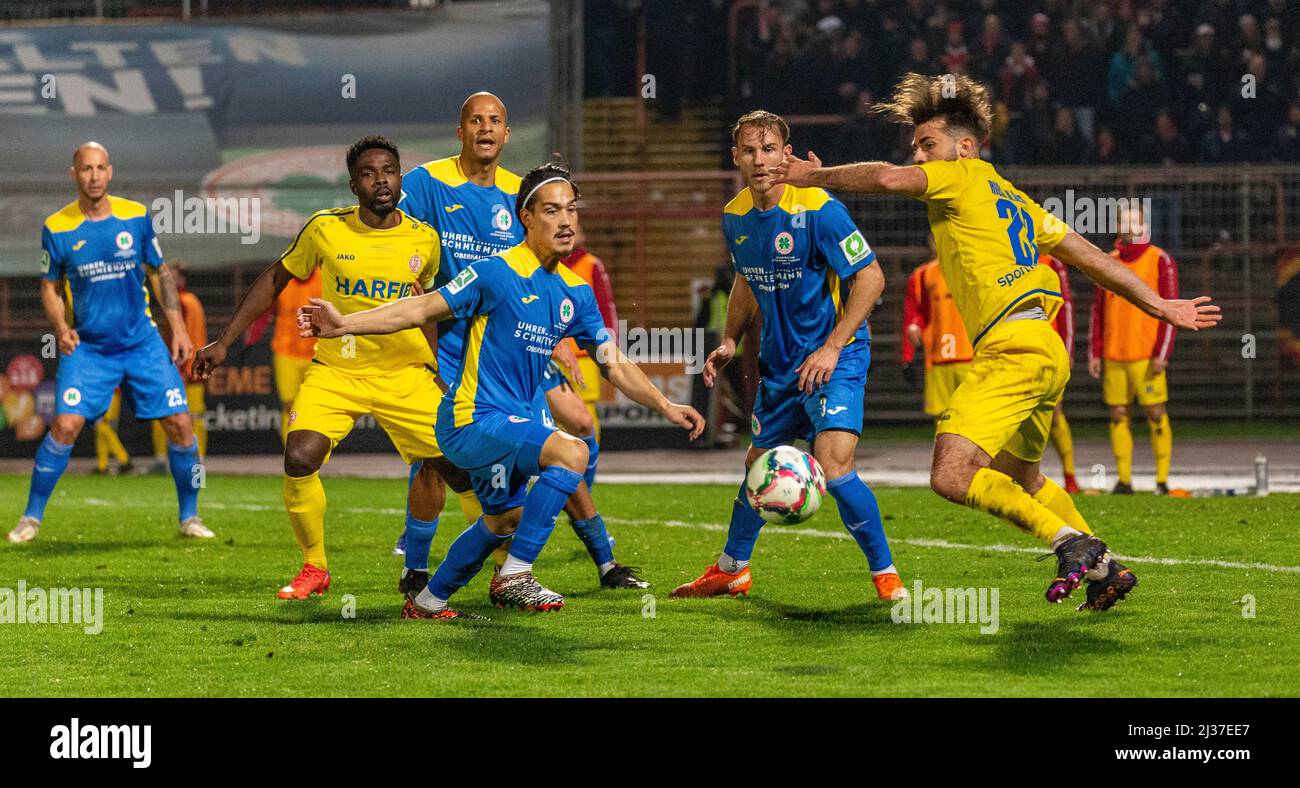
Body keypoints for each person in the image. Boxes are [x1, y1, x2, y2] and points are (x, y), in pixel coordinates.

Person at [770, 73, 1220, 611]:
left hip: (1011, 347)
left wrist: (812, 174)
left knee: (952, 473)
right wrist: (1162, 305)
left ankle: (1071, 544)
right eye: (915, 148)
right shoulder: (1016, 200)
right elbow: (1095, 259)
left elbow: (888, 181)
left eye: (926, 145)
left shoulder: (959, 175)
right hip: (1045, 348)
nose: (918, 157)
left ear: (963, 147)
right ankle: (1105, 570)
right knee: (1023, 476)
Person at [300, 164, 704, 620]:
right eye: (552, 211)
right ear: (525, 217)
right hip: (470, 419)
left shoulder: (576, 291)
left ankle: (429, 601)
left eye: (571, 209)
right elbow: (420, 308)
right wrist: (343, 324)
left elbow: (613, 363)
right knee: (571, 452)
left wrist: (666, 405)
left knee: (502, 521)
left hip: (510, 424)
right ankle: (515, 575)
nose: (566, 220)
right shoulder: (494, 272)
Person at [396, 92, 646, 592]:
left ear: (507, 134)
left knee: (570, 435)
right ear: (460, 130)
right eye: (475, 120)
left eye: (495, 121)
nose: (486, 129)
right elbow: (397, 238)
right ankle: (418, 569)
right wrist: (406, 280)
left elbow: (536, 276)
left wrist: (556, 338)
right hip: (450, 344)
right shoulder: (426, 182)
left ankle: (601, 563)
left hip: (514, 344)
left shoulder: (524, 195)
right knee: (435, 458)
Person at [192, 135, 450, 604]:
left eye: (389, 171)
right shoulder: (325, 229)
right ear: (354, 184)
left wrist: (436, 368)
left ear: (399, 178)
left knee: (457, 468)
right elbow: (275, 277)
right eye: (369, 174)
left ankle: (467, 570)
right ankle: (315, 566)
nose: (381, 181)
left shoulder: (423, 238)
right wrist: (225, 341)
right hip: (338, 371)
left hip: (406, 374)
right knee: (298, 457)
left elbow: (428, 307)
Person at [671, 110, 907, 603]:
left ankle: (886, 577)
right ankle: (731, 569)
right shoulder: (734, 215)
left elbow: (872, 278)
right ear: (736, 157)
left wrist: (832, 345)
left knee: (833, 466)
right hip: (781, 367)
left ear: (787, 153)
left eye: (770, 149)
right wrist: (732, 338)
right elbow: (745, 279)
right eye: (750, 151)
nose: (760, 161)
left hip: (836, 357)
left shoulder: (819, 207)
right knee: (757, 465)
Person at [10, 142, 211, 543]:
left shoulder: (135, 216)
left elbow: (160, 274)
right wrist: (59, 326)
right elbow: (49, 287)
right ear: (74, 174)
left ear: (110, 172)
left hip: (141, 343)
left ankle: (190, 517)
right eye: (86, 169)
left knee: (181, 424)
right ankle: (31, 517)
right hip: (89, 349)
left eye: (101, 168)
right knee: (66, 426)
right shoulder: (57, 227)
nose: (94, 176)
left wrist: (181, 329)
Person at [1088, 204, 1179, 495]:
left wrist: (1162, 354)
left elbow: (1171, 308)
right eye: (1124, 222)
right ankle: (1124, 481)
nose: (1129, 227)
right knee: (1117, 414)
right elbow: (1097, 311)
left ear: (1143, 226)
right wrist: (1095, 352)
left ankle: (1162, 481)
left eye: (1135, 222)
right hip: (1115, 355)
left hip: (1145, 354)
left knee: (1155, 412)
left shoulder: (1159, 260)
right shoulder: (1108, 261)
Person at [244, 267, 321, 445]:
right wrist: (252, 338)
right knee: (289, 405)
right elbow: (265, 311)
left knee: (313, 406)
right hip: (286, 353)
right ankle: (291, 449)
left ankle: (314, 450)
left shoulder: (325, 278)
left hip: (317, 353)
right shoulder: (283, 281)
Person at [902, 240, 972, 425]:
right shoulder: (922, 275)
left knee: (975, 420)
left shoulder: (974, 267)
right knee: (944, 420)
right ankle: (947, 455)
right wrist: (908, 355)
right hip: (938, 359)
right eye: (934, 238)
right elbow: (914, 314)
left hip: (974, 358)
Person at [150, 262, 208, 466]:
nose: (168, 281)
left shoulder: (179, 304)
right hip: (198, 366)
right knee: (196, 416)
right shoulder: (194, 300)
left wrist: (179, 369)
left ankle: (161, 460)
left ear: (182, 280)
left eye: (172, 277)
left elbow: (180, 337)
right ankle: (198, 459)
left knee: (165, 413)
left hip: (183, 367)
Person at [1040, 253, 1080, 493]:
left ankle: (1070, 476)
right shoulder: (1002, 253)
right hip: (1013, 346)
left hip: (1047, 349)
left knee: (1054, 413)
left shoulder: (1051, 262)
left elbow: (1066, 307)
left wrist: (1067, 349)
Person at [93, 389, 134, 475]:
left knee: (103, 425)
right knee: (101, 428)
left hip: (108, 391)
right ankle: (102, 466)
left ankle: (125, 460)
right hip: (107, 391)